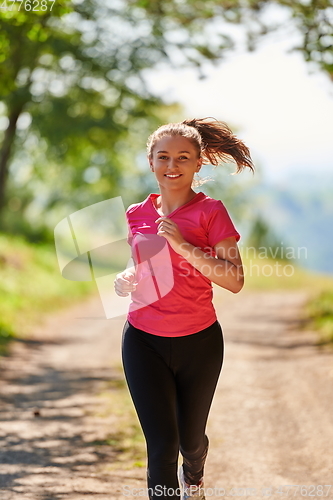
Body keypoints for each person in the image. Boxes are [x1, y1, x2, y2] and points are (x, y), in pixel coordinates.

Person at [114, 117, 254, 500]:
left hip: (199, 342)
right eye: (163, 157)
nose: (172, 166)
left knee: (190, 443)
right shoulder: (136, 213)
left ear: (197, 164)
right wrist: (127, 277)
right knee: (161, 449)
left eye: (182, 158)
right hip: (143, 339)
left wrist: (184, 246)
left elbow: (234, 280)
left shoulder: (211, 212)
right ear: (151, 163)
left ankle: (195, 473)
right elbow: (147, 266)